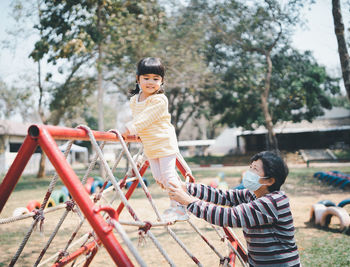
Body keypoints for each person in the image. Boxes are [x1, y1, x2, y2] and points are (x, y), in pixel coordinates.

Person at [168, 151, 301, 267]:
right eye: (250, 167)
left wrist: (189, 201)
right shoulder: (253, 194)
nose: (249, 172)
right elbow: (224, 196)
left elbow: (229, 216)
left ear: (269, 181)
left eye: (255, 169)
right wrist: (188, 187)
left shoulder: (272, 202)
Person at [122, 57, 188, 222]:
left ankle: (180, 207)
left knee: (168, 175)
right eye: (146, 78)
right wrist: (134, 133)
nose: (151, 82)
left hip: (164, 142)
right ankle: (184, 192)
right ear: (138, 79)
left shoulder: (160, 100)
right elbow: (140, 119)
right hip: (150, 145)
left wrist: (128, 129)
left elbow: (144, 119)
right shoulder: (134, 100)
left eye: (156, 79)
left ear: (162, 81)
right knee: (159, 178)